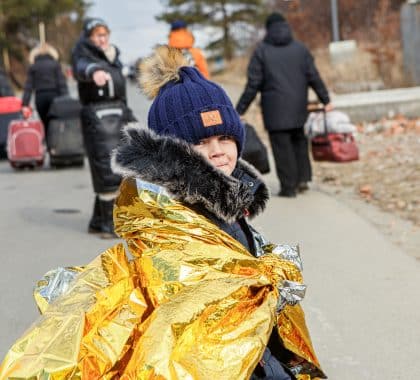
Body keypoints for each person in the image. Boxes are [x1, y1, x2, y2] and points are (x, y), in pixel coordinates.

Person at [0, 46, 326, 379]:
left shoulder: (221, 199)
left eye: (226, 137)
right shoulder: (175, 218)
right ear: (172, 151)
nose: (219, 152)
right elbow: (198, 332)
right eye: (202, 142)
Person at [236, 12, 333, 197]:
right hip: (298, 107)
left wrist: (239, 110)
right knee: (299, 142)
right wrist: (326, 99)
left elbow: (253, 84)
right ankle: (303, 179)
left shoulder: (261, 51)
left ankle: (289, 187)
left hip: (275, 110)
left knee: (282, 148)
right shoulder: (300, 49)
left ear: (268, 28)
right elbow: (313, 76)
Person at [71, 17, 136, 239]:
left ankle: (97, 221)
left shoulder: (113, 55)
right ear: (89, 37)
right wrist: (93, 72)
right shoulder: (82, 54)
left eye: (105, 34)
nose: (102, 39)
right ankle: (109, 224)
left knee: (116, 166)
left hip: (117, 114)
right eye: (98, 35)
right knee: (105, 168)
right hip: (97, 117)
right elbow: (80, 67)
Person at [22, 43, 68, 129]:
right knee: (56, 123)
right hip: (54, 96)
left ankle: (47, 140)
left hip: (40, 98)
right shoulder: (55, 65)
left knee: (45, 124)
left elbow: (28, 87)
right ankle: (55, 141)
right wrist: (66, 99)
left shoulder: (33, 67)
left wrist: (25, 104)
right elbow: (61, 84)